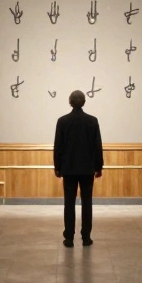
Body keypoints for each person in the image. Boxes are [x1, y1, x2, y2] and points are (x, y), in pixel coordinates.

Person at [53, 90, 103, 247]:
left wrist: (57, 167)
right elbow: (97, 146)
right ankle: (86, 237)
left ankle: (69, 237)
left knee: (69, 203)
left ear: (70, 102)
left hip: (68, 169)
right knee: (87, 203)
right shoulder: (92, 121)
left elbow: (58, 146)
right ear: (84, 102)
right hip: (87, 168)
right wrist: (99, 166)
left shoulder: (62, 121)